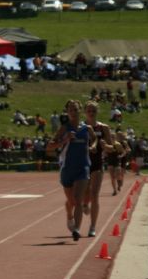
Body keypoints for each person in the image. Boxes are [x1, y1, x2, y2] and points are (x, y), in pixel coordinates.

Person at [47, 99, 96, 241]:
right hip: (67, 168)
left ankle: (76, 229)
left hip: (83, 167)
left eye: (76, 109)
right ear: (67, 112)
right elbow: (50, 147)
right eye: (71, 110)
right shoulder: (64, 128)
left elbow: (94, 139)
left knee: (78, 200)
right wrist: (64, 140)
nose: (74, 112)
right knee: (72, 202)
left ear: (80, 110)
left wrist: (93, 146)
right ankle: (69, 215)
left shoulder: (86, 128)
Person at [81, 101, 113, 237]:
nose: (91, 113)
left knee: (95, 194)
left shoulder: (103, 127)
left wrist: (105, 146)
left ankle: (93, 226)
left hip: (97, 163)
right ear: (85, 112)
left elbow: (112, 148)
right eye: (89, 110)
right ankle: (84, 203)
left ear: (97, 112)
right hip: (82, 163)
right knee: (85, 193)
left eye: (93, 110)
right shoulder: (80, 127)